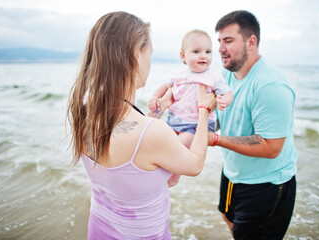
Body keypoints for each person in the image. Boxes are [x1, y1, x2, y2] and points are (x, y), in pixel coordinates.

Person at [66, 12, 216, 240]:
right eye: (150, 54)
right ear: (137, 54)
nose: (150, 61)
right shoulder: (152, 134)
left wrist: (161, 108)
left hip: (99, 230)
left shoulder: (84, 111)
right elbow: (194, 165)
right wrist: (204, 109)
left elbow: (130, 133)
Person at [210, 10, 298, 239]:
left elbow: (271, 147)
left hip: (266, 185)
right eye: (219, 41)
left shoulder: (271, 86)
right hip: (233, 174)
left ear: (251, 42)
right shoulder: (226, 76)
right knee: (228, 218)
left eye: (228, 41)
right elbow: (219, 116)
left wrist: (216, 140)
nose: (220, 48)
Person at [147, 29, 234, 186]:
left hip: (195, 126)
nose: (203, 55)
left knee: (179, 146)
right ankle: (158, 170)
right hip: (174, 120)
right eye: (196, 51)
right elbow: (165, 86)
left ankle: (174, 175)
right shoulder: (179, 74)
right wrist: (154, 97)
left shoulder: (213, 75)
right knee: (163, 141)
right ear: (183, 56)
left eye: (208, 51)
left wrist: (224, 101)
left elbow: (228, 94)